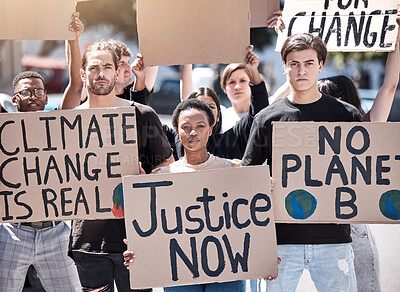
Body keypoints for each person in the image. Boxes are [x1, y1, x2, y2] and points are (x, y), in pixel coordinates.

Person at [242, 33, 362, 292]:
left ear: (320, 66)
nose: (301, 70)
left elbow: (362, 175)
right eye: (294, 63)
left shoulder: (346, 115)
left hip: (334, 240)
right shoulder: (266, 119)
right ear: (285, 66)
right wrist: (263, 183)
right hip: (281, 242)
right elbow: (247, 178)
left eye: (309, 63)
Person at [123, 99, 275, 291]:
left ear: (210, 129)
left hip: (228, 273)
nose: (193, 132)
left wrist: (264, 256)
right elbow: (150, 228)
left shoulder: (234, 170)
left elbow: (253, 221)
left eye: (200, 126)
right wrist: (138, 248)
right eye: (186, 127)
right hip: (179, 273)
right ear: (176, 131)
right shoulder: (160, 177)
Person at [67, 41, 173, 292]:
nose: (100, 74)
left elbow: (168, 166)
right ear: (83, 74)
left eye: (107, 67)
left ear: (117, 72)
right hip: (88, 243)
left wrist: (146, 179)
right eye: (93, 68)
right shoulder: (70, 122)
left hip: (136, 241)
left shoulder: (142, 114)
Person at [0, 71, 82, 292]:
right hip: (12, 232)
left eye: (38, 91)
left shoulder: (57, 125)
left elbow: (75, 86)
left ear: (46, 97)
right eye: (26, 92)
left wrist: (71, 38)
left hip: (56, 233)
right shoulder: (4, 130)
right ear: (15, 99)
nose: (33, 96)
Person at [131, 46, 269, 160]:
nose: (203, 112)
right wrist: (140, 78)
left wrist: (253, 72)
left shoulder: (232, 139)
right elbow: (142, 119)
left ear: (218, 116)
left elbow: (259, 114)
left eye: (210, 107)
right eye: (198, 107)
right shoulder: (173, 141)